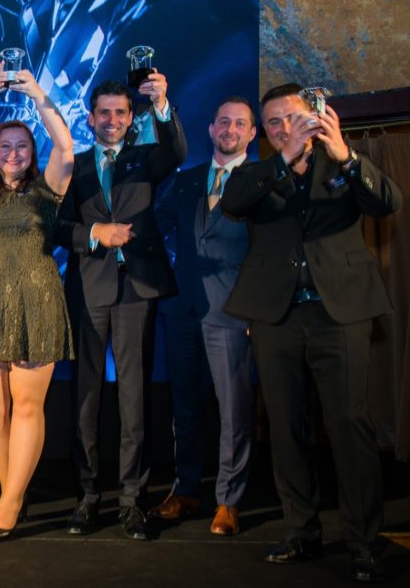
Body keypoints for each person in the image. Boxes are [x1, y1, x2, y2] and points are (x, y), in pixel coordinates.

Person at [220, 84, 402, 583]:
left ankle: (363, 540)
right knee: (286, 428)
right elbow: (233, 203)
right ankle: (301, 532)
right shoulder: (257, 174)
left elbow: (388, 201)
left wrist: (345, 155)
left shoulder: (342, 165)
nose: (285, 128)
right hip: (276, 319)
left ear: (315, 118)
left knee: (350, 426)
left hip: (339, 315)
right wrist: (284, 159)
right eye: (274, 122)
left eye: (293, 118)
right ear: (264, 131)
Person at [56, 74, 186, 540]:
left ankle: (132, 499)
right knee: (85, 398)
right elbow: (57, 227)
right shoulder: (73, 165)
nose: (112, 120)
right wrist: (95, 234)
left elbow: (177, 152)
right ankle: (88, 496)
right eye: (104, 113)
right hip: (89, 289)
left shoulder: (146, 158)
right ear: (90, 118)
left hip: (137, 291)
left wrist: (163, 104)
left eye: (120, 112)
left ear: (132, 119)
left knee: (134, 398)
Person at [0, 64, 75, 542]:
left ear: (31, 152)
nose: (13, 153)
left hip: (36, 304)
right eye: (4, 146)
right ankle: (13, 494)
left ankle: (7, 505)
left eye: (21, 146)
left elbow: (66, 147)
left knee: (27, 406)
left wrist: (39, 94)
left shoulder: (48, 190)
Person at [150, 96, 257, 536]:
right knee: (185, 408)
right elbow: (155, 227)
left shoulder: (262, 182)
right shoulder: (187, 180)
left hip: (234, 313)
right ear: (211, 129)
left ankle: (228, 500)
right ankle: (186, 489)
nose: (230, 129)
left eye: (240, 123)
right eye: (223, 122)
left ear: (252, 133)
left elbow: (269, 251)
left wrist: (255, 310)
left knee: (233, 411)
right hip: (182, 310)